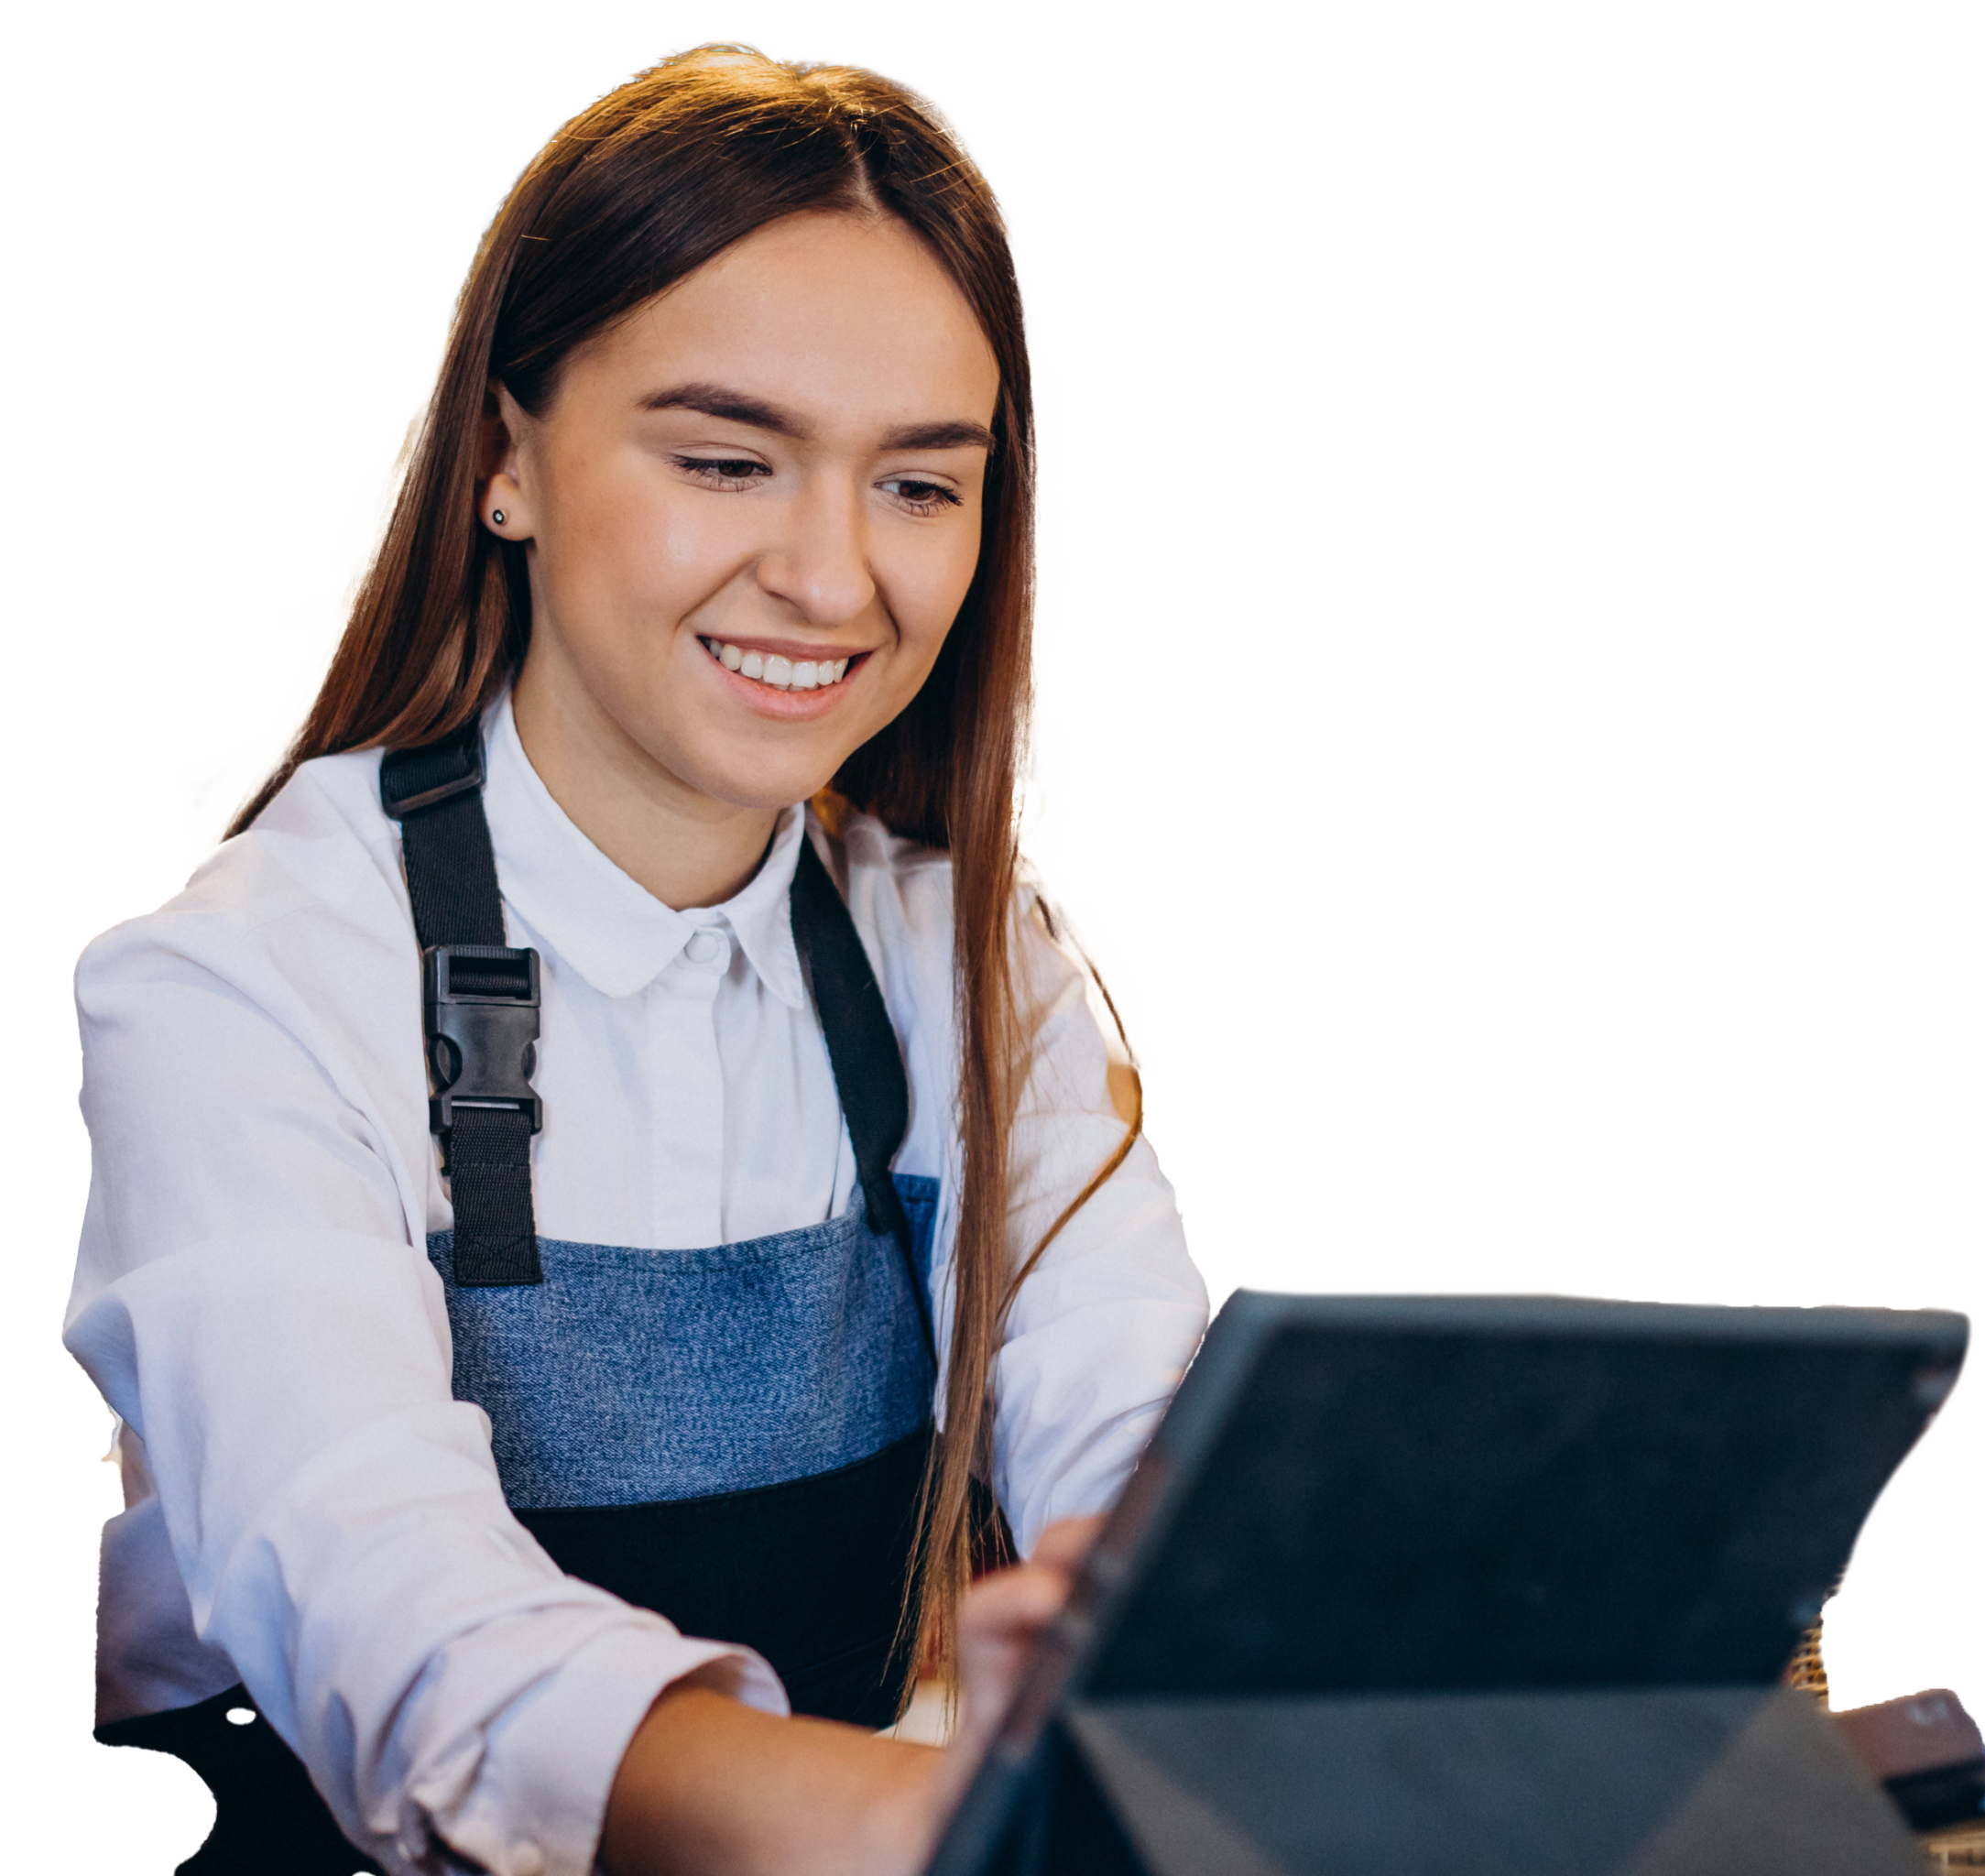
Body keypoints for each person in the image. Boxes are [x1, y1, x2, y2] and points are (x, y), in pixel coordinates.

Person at [61, 40, 1209, 1876]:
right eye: (726, 460)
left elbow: (1144, 1453)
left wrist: (1158, 1631)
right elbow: (390, 1624)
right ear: (502, 463)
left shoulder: (976, 963)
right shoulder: (242, 988)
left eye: (921, 486)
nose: (832, 579)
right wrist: (908, 1826)